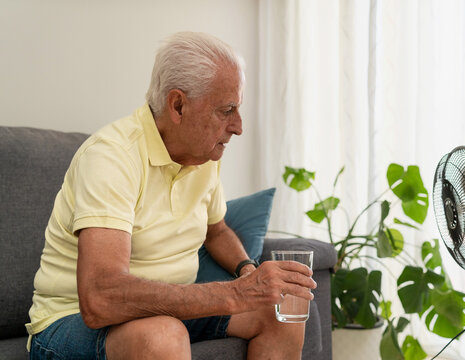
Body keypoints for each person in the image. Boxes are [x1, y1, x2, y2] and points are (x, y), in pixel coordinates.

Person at [26, 31, 316, 360]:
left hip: (166, 311)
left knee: (283, 312)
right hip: (72, 322)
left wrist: (247, 270)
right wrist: (233, 294)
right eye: (227, 110)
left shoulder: (203, 156)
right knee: (162, 333)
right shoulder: (112, 157)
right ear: (177, 105)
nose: (238, 126)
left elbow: (216, 230)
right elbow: (100, 300)